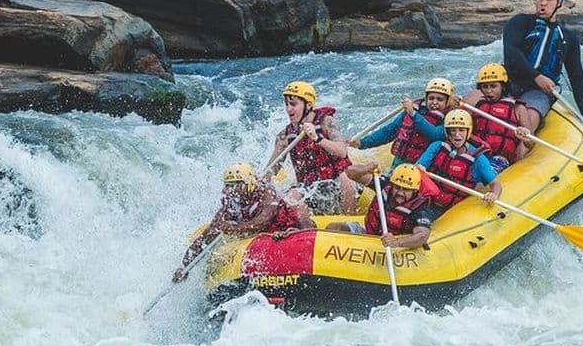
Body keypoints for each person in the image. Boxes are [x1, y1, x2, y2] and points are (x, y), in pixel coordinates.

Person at [172, 163, 314, 282]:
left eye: (238, 184)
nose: (232, 190)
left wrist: (232, 229)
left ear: (250, 183)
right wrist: (184, 267)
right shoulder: (229, 204)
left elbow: (262, 221)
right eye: (229, 185)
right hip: (258, 241)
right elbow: (206, 237)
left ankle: (307, 233)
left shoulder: (266, 192)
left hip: (284, 229)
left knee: (296, 204)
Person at [502, 0, 583, 134]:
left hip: (538, 93)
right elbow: (511, 52)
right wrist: (536, 76)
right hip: (508, 84)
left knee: (525, 125)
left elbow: (576, 77)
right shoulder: (520, 22)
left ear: (559, 3)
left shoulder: (567, 38)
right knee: (474, 97)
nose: (543, 3)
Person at [266, 81, 356, 215]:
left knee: (346, 178)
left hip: (335, 180)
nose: (288, 109)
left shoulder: (327, 122)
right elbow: (272, 169)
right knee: (291, 198)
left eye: (293, 104)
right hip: (309, 187)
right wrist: (257, 182)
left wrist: (317, 138)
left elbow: (342, 152)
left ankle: (350, 219)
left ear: (308, 105)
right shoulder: (284, 136)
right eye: (286, 104)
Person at [347, 78, 453, 184]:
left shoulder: (449, 119)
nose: (434, 102)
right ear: (426, 98)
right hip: (400, 162)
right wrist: (362, 143)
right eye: (431, 98)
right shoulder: (414, 110)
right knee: (389, 186)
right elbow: (389, 131)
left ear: (447, 101)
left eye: (440, 99)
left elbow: (435, 135)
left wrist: (413, 114)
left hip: (421, 167)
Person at [326, 163, 439, 249]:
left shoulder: (420, 206)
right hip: (368, 234)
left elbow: (422, 236)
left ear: (414, 191)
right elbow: (350, 172)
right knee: (334, 228)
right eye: (397, 187)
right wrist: (366, 169)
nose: (400, 192)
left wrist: (397, 242)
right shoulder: (383, 185)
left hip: (394, 244)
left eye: (405, 189)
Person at [416, 109, 502, 212]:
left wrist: (493, 194)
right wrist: (419, 168)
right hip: (429, 199)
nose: (457, 135)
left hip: (454, 207)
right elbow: (417, 167)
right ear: (447, 132)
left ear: (468, 132)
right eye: (453, 130)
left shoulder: (478, 159)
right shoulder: (437, 146)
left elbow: (495, 184)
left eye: (461, 130)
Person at [464, 63, 534, 173]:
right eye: (485, 86)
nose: (488, 90)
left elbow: (531, 142)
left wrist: (525, 138)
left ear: (503, 86)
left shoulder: (517, 108)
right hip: (476, 153)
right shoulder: (477, 105)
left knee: (482, 176)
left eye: (493, 86)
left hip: (500, 159)